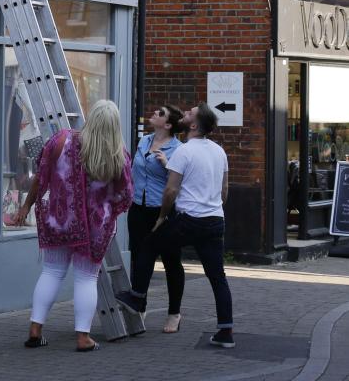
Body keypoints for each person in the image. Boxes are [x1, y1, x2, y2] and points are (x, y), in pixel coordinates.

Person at [13, 100, 133, 352]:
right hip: (95, 228)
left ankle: (35, 330)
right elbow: (125, 195)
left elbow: (40, 178)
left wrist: (25, 206)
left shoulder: (62, 139)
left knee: (51, 272)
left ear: (90, 117)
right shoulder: (118, 155)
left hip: (60, 220)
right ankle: (82, 338)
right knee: (86, 278)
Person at [117, 103, 235, 348]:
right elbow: (224, 190)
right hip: (215, 221)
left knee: (149, 247)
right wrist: (214, 207)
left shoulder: (184, 151)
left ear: (193, 125)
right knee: (217, 276)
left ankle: (138, 298)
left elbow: (171, 190)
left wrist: (162, 217)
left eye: (190, 113)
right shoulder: (219, 151)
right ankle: (226, 331)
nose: (185, 114)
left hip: (188, 219)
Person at [116, 104, 185, 334]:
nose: (154, 113)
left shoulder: (178, 149)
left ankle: (174, 313)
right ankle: (140, 306)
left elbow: (180, 183)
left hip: (163, 210)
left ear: (168, 125)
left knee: (170, 261)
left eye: (160, 113)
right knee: (139, 257)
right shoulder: (144, 141)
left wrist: (167, 165)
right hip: (138, 208)